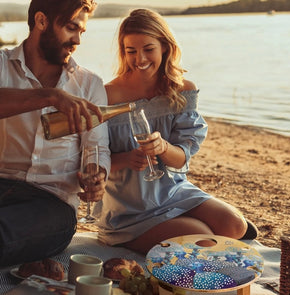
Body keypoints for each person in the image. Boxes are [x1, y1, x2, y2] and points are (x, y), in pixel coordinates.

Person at [93, 8, 257, 255]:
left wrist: (163, 148)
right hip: (130, 208)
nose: (140, 59)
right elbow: (92, 159)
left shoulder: (182, 91)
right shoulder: (107, 96)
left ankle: (181, 225)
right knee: (204, 239)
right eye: (131, 51)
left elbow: (182, 157)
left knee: (235, 225)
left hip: (173, 191)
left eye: (148, 49)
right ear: (123, 52)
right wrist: (127, 159)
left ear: (165, 47)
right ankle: (123, 238)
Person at [0, 0, 110, 267]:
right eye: (72, 28)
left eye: (82, 31)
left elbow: (97, 148)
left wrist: (97, 174)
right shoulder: (1, 65)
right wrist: (49, 96)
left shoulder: (89, 84)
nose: (78, 40)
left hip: (53, 202)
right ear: (41, 21)